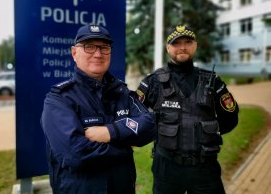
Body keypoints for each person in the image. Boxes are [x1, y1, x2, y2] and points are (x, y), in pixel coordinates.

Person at [41, 24, 156, 194]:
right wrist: (124, 147)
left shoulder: (121, 92)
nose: (98, 53)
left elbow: (150, 124)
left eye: (104, 47)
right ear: (74, 53)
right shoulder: (59, 99)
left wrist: (110, 132)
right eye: (89, 47)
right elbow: (75, 155)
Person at [136, 24, 239, 194]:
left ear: (195, 45)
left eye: (188, 42)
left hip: (205, 169)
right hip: (166, 168)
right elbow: (136, 115)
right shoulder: (153, 82)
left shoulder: (212, 81)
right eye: (176, 43)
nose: (182, 47)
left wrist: (208, 133)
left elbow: (230, 118)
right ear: (168, 48)